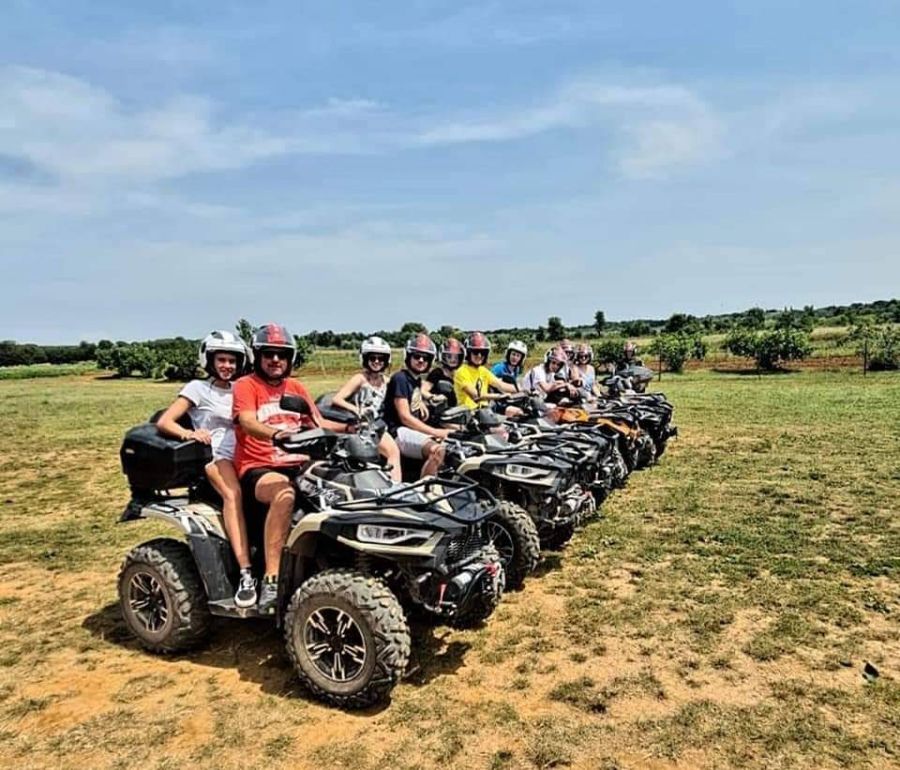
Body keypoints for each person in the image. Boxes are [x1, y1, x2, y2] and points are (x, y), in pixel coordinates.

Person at [232, 323, 352, 615]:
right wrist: (277, 435)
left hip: (298, 463)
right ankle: (271, 578)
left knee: (345, 482)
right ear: (257, 356)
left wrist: (352, 428)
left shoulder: (296, 388)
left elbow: (317, 422)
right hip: (259, 466)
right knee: (284, 495)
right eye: (269, 354)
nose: (276, 360)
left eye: (282, 355)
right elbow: (246, 421)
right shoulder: (246, 385)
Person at [156, 331, 258, 609]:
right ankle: (246, 574)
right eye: (221, 360)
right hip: (216, 455)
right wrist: (189, 434)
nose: (227, 365)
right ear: (209, 361)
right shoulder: (198, 388)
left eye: (232, 361)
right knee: (233, 495)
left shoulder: (242, 387)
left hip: (248, 453)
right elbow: (165, 421)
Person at [331, 336, 402, 482]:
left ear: (386, 360)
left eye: (381, 358)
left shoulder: (386, 381)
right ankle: (396, 486)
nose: (376, 361)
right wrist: (357, 410)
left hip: (379, 425)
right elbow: (337, 399)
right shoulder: (360, 379)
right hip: (363, 426)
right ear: (364, 359)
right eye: (372, 358)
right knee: (393, 452)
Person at [383, 333, 451, 478]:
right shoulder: (400, 378)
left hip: (409, 430)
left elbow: (414, 400)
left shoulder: (416, 380)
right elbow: (405, 417)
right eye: (417, 356)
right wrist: (435, 432)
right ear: (408, 356)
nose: (421, 360)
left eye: (425, 358)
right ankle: (425, 488)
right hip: (397, 431)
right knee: (437, 450)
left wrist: (423, 404)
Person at [454, 332, 521, 416]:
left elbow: (501, 385)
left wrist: (523, 389)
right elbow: (475, 396)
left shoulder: (483, 370)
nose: (479, 355)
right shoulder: (461, 371)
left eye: (483, 352)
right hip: (469, 414)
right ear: (468, 352)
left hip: (485, 411)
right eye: (475, 352)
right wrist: (499, 396)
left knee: (520, 413)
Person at [422, 337, 463, 408]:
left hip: (458, 410)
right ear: (443, 356)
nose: (453, 359)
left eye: (456, 357)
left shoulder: (460, 373)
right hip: (440, 410)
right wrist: (433, 397)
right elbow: (423, 390)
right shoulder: (437, 373)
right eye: (449, 356)